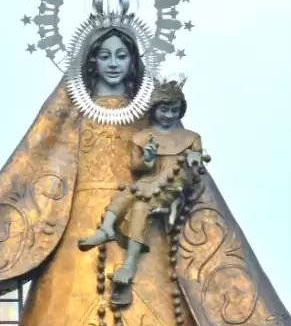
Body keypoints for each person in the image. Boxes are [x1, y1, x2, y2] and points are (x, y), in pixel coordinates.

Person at [77, 77, 206, 291]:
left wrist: (194, 156)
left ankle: (129, 264)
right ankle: (106, 228)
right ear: (154, 109)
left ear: (180, 111)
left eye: (174, 110)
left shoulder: (191, 138)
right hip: (149, 182)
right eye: (164, 110)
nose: (169, 115)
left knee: (140, 207)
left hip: (171, 186)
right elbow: (137, 166)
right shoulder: (143, 137)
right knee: (127, 193)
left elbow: (197, 157)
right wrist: (148, 159)